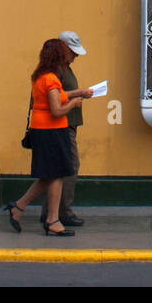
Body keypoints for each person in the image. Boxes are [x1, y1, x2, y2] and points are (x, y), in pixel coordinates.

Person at [3, 38, 86, 237]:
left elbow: (55, 98)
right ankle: (50, 219)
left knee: (52, 176)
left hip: (43, 130)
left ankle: (27, 209)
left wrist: (77, 93)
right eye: (65, 52)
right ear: (59, 55)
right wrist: (74, 104)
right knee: (54, 175)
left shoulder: (39, 76)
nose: (68, 56)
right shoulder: (51, 79)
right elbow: (57, 110)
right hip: (52, 130)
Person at [40, 30, 91, 226]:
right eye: (73, 52)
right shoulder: (56, 70)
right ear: (63, 49)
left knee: (58, 169)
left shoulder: (65, 67)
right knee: (69, 167)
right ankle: (61, 213)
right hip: (62, 124)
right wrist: (76, 95)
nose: (76, 56)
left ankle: (49, 212)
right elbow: (54, 96)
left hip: (68, 123)